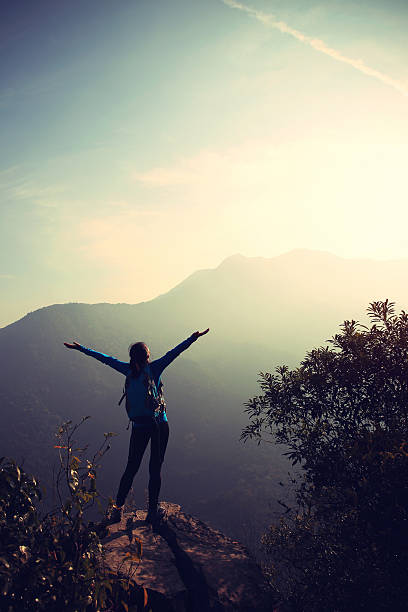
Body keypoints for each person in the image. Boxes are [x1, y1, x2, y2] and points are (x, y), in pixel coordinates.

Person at [63, 329, 209, 524]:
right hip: (159, 424)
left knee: (131, 468)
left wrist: (81, 348)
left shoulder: (128, 370)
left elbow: (104, 358)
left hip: (139, 426)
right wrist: (193, 338)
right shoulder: (155, 368)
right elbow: (174, 352)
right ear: (148, 356)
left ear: (132, 357)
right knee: (155, 469)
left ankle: (117, 509)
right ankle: (151, 512)